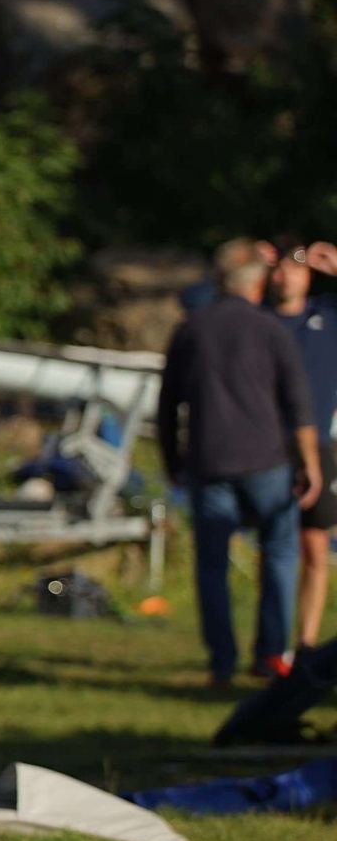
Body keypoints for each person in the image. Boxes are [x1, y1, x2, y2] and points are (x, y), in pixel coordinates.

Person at [160, 238, 323, 685]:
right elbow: (298, 404)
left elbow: (168, 405)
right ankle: (271, 654)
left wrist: (173, 461)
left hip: (208, 461)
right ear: (259, 283)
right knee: (280, 553)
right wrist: (310, 464)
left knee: (212, 565)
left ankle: (222, 661)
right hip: (266, 462)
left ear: (218, 280)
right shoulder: (270, 329)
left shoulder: (191, 329)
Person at [268, 237, 337, 649]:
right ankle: (271, 646)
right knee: (274, 545)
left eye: (295, 267)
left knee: (314, 545)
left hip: (317, 447)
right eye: (278, 268)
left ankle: (306, 644)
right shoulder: (257, 319)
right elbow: (196, 301)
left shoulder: (326, 316)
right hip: (265, 447)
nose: (286, 276)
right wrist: (245, 259)